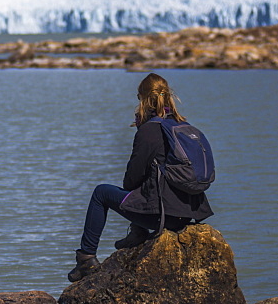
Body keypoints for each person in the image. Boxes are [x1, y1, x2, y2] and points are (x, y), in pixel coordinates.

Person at [68, 73, 213, 282]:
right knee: (144, 190)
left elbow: (131, 180)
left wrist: (141, 132)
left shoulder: (149, 130)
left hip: (163, 215)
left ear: (143, 99)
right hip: (188, 212)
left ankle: (86, 258)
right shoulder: (183, 126)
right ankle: (138, 232)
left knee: (101, 193)